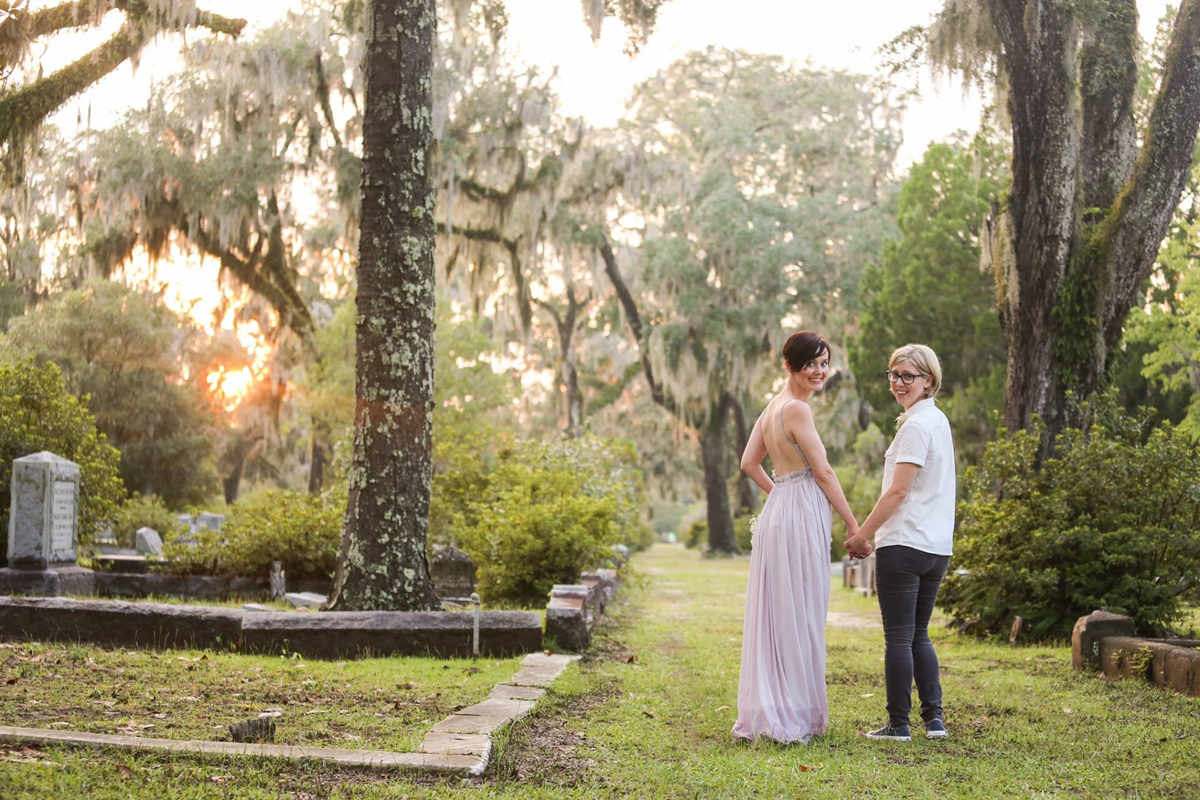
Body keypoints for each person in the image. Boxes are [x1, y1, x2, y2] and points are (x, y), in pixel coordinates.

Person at [732, 331, 861, 744]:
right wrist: (854, 525)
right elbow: (823, 472)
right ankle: (794, 712)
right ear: (790, 366)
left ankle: (779, 706)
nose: (819, 371)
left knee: (781, 610)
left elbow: (749, 463)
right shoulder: (797, 410)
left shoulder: (773, 407)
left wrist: (781, 494)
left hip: (779, 511)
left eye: (824, 363)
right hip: (799, 510)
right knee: (800, 608)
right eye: (811, 364)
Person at [847, 343, 955, 742]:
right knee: (918, 635)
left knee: (898, 636)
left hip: (905, 543)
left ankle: (898, 724)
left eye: (908, 375)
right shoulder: (937, 421)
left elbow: (897, 492)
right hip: (936, 547)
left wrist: (862, 534)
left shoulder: (915, 427)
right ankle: (934, 722)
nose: (898, 382)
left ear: (928, 380)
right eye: (894, 374)